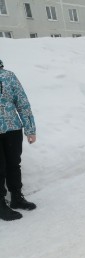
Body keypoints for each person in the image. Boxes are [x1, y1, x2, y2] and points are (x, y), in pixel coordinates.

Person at [0, 59, 37, 221]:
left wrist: (30, 129)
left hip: (12, 129)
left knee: (13, 164)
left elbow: (22, 102)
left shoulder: (9, 76)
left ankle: (16, 197)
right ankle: (0, 204)